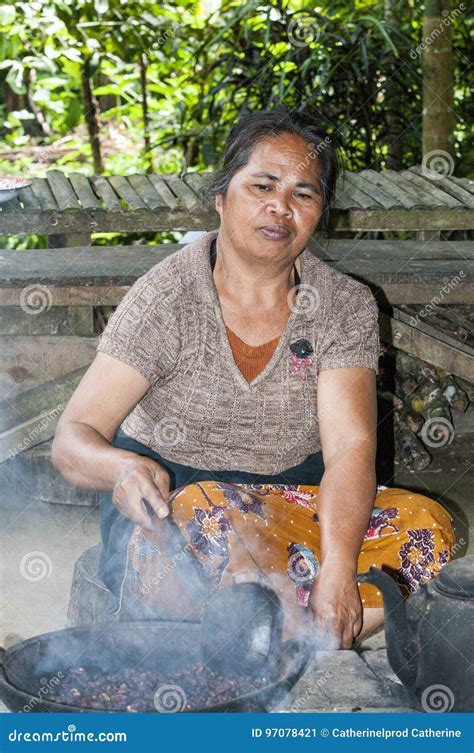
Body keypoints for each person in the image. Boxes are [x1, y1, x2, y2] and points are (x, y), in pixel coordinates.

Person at [52, 110, 454, 649]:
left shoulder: (342, 304)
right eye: (262, 185)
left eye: (303, 194)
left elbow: (351, 452)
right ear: (221, 197)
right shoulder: (167, 297)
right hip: (183, 508)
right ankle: (285, 628)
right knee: (196, 524)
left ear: (319, 215)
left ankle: (272, 626)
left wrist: (336, 571)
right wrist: (122, 469)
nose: (280, 208)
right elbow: (73, 436)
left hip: (294, 505)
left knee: (428, 527)